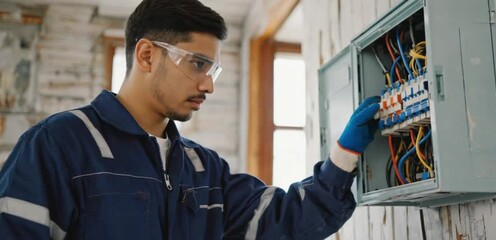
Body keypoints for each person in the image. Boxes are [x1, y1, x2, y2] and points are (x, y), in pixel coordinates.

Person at [0, 0, 380, 239]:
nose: (207, 85)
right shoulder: (60, 144)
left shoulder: (205, 169)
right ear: (147, 55)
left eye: (212, 70)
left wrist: (344, 154)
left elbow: (287, 222)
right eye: (197, 64)